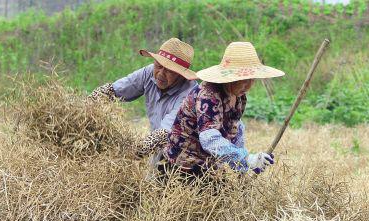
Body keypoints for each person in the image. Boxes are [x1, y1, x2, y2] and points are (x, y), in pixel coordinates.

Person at [157, 41, 285, 179]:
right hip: (180, 167)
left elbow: (236, 131)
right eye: (243, 79)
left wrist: (245, 166)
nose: (248, 85)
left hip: (208, 166)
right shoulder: (209, 95)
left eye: (251, 79)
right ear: (231, 77)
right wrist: (246, 158)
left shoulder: (239, 97)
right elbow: (210, 139)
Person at [89, 38, 198, 157]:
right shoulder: (149, 72)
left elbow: (163, 134)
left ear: (181, 75)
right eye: (158, 66)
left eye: (169, 71)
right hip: (157, 154)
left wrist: (130, 152)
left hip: (183, 158)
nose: (161, 73)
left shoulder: (189, 95)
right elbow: (112, 91)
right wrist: (84, 108)